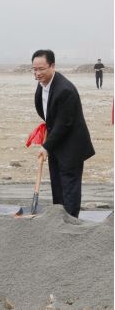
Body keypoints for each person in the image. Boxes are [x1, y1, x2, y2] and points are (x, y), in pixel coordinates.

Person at [32, 49, 95, 217]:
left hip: (72, 145)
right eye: (35, 69)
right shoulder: (42, 86)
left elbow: (64, 124)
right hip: (57, 143)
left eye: (41, 69)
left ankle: (71, 221)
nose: (37, 73)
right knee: (57, 184)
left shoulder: (64, 90)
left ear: (52, 66)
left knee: (69, 186)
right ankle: (59, 219)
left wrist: (46, 146)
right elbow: (46, 113)